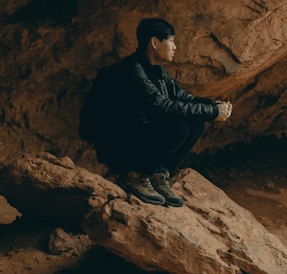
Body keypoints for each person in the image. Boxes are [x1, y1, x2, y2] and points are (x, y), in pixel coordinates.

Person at [83, 16, 233, 207]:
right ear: (154, 42)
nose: (175, 46)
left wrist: (214, 106)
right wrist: (212, 111)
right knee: (179, 124)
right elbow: (162, 107)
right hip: (117, 143)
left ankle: (159, 175)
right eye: (171, 40)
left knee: (196, 123)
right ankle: (136, 176)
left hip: (137, 136)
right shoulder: (132, 70)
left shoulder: (158, 71)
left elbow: (183, 97)